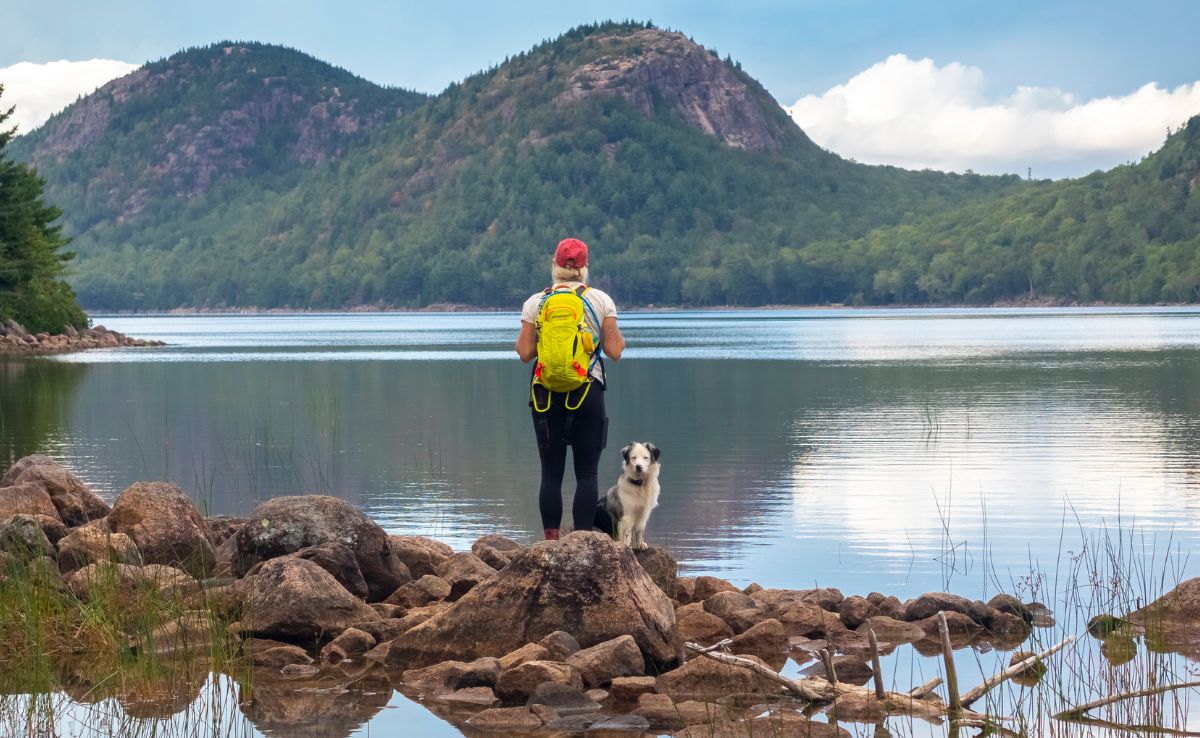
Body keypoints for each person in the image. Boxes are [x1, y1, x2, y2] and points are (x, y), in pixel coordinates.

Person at [516, 237, 625, 540]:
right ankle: (583, 542)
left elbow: (524, 353)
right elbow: (615, 352)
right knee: (587, 473)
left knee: (551, 475)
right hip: (588, 392)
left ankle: (551, 545)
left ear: (555, 265)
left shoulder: (536, 302)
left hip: (545, 395)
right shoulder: (600, 300)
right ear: (584, 268)